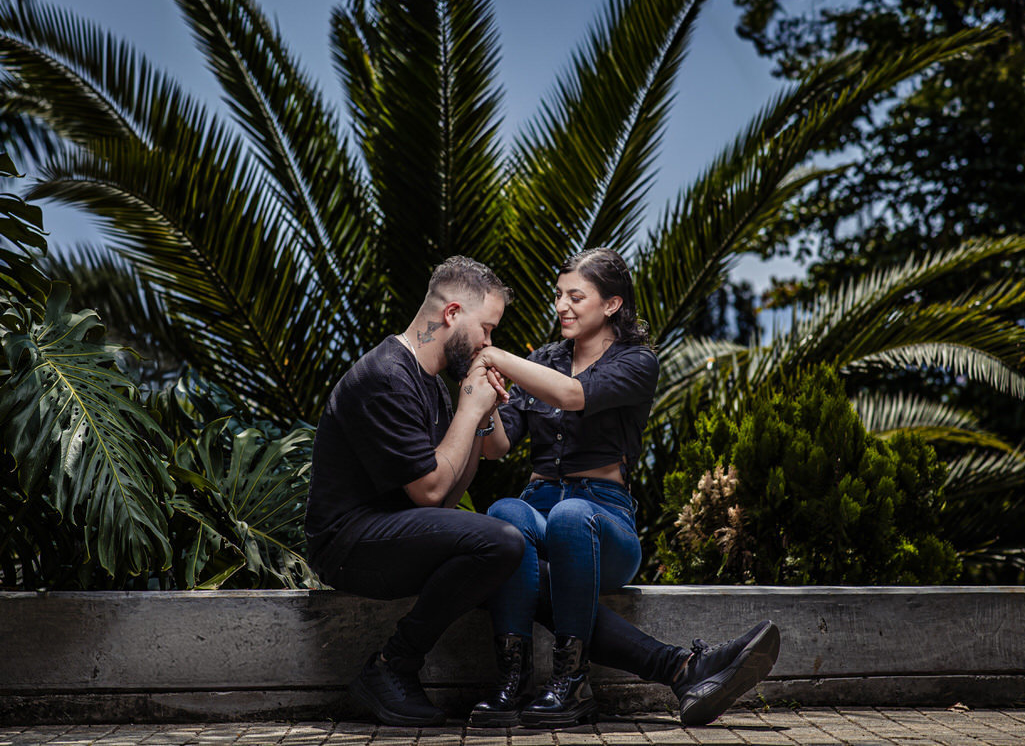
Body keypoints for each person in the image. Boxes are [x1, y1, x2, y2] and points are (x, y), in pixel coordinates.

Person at [467, 247, 781, 728]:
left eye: (576, 296)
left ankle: (570, 683)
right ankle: (515, 681)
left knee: (572, 518)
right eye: (558, 296)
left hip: (601, 517)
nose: (562, 307)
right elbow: (496, 449)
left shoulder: (637, 362)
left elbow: (572, 396)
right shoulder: (543, 360)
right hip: (538, 505)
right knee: (505, 514)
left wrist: (499, 356)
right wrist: (486, 401)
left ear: (611, 304)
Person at [304, 256, 522, 727]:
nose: (489, 343)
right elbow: (429, 493)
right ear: (451, 314)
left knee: (532, 569)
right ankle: (391, 667)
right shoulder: (386, 375)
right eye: (486, 329)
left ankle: (671, 666)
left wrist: (481, 413)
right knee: (503, 541)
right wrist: (469, 409)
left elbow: (448, 492)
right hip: (348, 543)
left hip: (396, 532)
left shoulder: (435, 388)